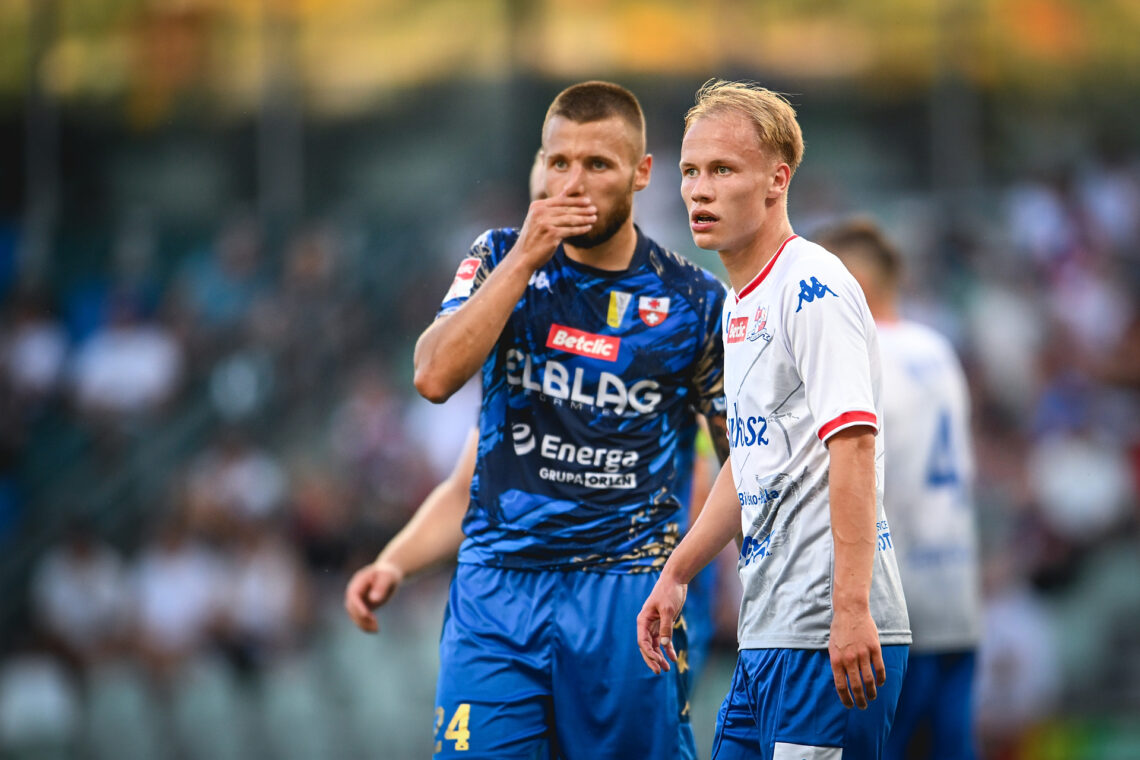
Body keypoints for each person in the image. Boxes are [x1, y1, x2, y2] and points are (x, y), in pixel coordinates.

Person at [371, 81, 730, 759]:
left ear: (642, 173)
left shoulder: (694, 301)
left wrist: (684, 571)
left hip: (625, 596)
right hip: (496, 595)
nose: (574, 182)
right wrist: (526, 258)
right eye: (559, 162)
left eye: (598, 164)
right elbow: (433, 376)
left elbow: (743, 459)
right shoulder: (498, 256)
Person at [637, 79, 911, 759]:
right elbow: (750, 460)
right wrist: (679, 570)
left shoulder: (811, 288)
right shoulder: (738, 306)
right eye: (690, 172)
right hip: (768, 634)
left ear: (775, 181)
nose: (699, 190)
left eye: (722, 171)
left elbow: (852, 447)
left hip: (826, 634)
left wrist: (850, 609)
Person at [818, 219, 980, 760]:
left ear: (851, 286)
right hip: (955, 598)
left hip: (892, 611)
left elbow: (851, 473)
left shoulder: (864, 356)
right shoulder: (937, 349)